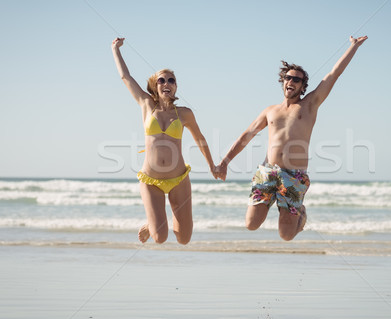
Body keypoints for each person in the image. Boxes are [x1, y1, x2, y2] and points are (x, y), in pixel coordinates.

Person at [217, 35, 368, 241]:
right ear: (283, 81)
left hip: (294, 176)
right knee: (251, 225)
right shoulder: (270, 111)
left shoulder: (310, 104)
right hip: (267, 172)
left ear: (302, 85)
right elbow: (247, 135)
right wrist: (225, 162)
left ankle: (301, 215)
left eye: (296, 79)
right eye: (288, 78)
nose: (291, 81)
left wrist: (353, 47)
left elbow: (334, 74)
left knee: (286, 235)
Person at [111, 37, 219, 245]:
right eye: (162, 80)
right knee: (160, 238)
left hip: (178, 179)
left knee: (184, 239)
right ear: (155, 86)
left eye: (171, 80)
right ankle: (153, 224)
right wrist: (115, 49)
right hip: (151, 181)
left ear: (176, 87)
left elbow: (201, 139)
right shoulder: (146, 104)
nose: (167, 83)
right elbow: (125, 76)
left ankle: (156, 222)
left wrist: (212, 166)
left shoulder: (185, 114)